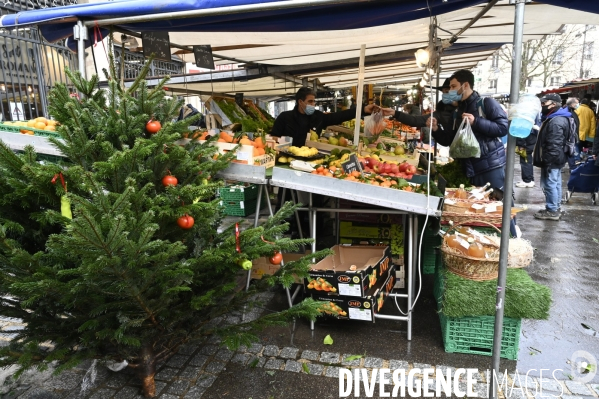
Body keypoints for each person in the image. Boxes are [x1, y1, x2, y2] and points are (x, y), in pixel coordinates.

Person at [424, 70, 509, 190]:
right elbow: (448, 140)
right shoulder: (456, 112)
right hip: (469, 169)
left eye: (454, 86)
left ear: (465, 85)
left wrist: (476, 122)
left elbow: (503, 128)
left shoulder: (486, 103)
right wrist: (436, 129)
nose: (451, 91)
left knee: (498, 204)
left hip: (491, 167)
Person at [270, 87, 377, 146]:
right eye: (310, 101)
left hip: (311, 158)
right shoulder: (284, 117)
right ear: (300, 102)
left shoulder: (318, 117)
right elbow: (273, 137)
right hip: (287, 159)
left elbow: (339, 116)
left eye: (314, 101)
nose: (313, 104)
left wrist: (362, 110)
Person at [532, 93, 572, 221]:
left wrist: (548, 162)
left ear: (553, 104)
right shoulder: (556, 117)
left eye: (544, 103)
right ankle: (555, 207)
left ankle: (552, 210)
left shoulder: (556, 121)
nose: (542, 106)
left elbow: (554, 144)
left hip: (553, 158)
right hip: (557, 158)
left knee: (550, 184)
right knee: (555, 183)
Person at [515, 115, 540, 188]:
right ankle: (529, 179)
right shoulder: (533, 114)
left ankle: (527, 180)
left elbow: (521, 132)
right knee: (527, 160)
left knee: (525, 161)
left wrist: (520, 144)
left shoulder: (523, 116)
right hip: (531, 140)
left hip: (526, 142)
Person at [564, 97, 580, 170]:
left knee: (571, 153)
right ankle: (573, 169)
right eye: (577, 103)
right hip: (570, 138)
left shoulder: (571, 111)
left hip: (572, 137)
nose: (578, 105)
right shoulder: (567, 113)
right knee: (570, 153)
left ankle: (572, 168)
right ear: (572, 104)